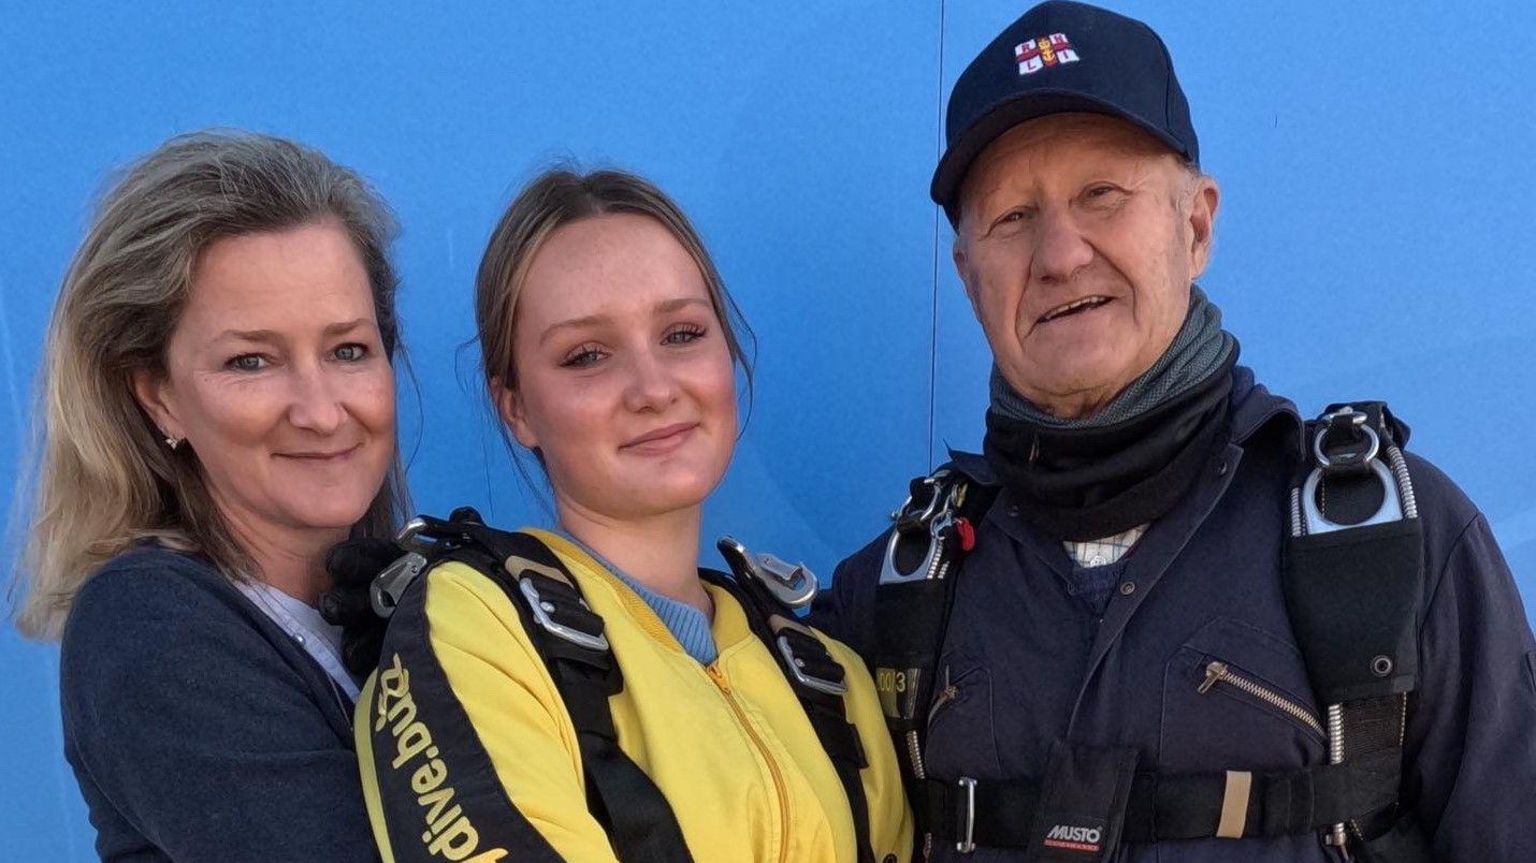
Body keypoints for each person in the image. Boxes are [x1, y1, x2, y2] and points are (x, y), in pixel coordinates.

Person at [811, 2, 1536, 862]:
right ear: (970, 275)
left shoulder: (1392, 542)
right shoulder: (893, 596)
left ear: (1195, 224)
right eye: (1011, 217)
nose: (1060, 253)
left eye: (1102, 195)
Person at [351, 168, 912, 863]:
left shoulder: (830, 679)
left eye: (682, 333)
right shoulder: (473, 627)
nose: (652, 388)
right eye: (587, 355)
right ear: (516, 406)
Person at [13, 130, 407, 862]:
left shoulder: (406, 613)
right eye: (250, 361)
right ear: (157, 395)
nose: (321, 411)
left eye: (347, 349)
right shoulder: (147, 626)